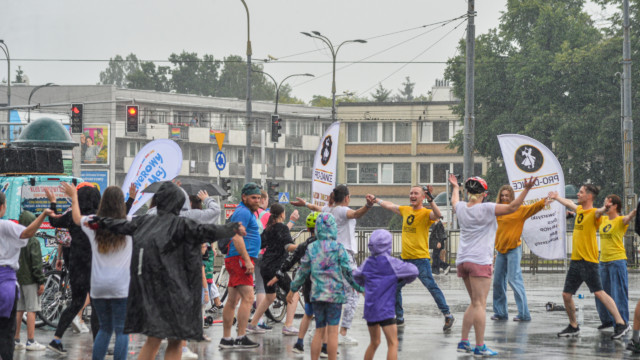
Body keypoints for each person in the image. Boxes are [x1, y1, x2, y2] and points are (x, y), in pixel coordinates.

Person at [87, 181, 245, 360]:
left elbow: (120, 224)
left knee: (153, 340)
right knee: (175, 341)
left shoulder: (145, 221)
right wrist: (231, 228)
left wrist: (99, 221)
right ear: (179, 203)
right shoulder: (182, 224)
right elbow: (207, 230)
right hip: (176, 291)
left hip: (151, 291)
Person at [452, 174, 535, 357]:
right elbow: (513, 206)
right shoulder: (488, 208)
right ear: (485, 194)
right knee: (480, 304)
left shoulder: (460, 208)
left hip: (463, 261)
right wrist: (527, 189)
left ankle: (464, 341)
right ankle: (480, 346)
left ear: (468, 192)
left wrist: (454, 187)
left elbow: (454, 200)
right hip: (479, 260)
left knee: (474, 303)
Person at [291, 185, 373, 345]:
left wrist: (305, 204)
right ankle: (342, 332)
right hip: (344, 254)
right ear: (347, 198)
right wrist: (369, 206)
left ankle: (318, 330)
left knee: (328, 292)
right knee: (352, 294)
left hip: (328, 254)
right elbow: (356, 213)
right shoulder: (342, 211)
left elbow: (316, 207)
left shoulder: (328, 210)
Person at [367, 185, 455, 331]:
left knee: (431, 287)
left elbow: (438, 215)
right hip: (404, 259)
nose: (412, 195)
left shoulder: (426, 213)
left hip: (420, 260)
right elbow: (390, 206)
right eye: (411, 193)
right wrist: (376, 200)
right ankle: (399, 317)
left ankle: (448, 314)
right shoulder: (405, 210)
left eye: (416, 193)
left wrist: (431, 200)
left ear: (422, 197)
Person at [60, 184, 132, 360]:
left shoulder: (94, 222)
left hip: (99, 286)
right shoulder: (129, 223)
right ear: (121, 204)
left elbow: (76, 218)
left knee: (105, 328)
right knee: (121, 329)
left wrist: (74, 197)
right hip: (121, 286)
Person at [549, 185, 630, 339]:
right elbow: (568, 203)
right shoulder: (579, 210)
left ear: (589, 196)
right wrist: (557, 197)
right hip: (576, 260)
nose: (578, 194)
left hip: (588, 261)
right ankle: (574, 326)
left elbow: (599, 211)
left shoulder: (594, 213)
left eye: (581, 192)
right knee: (566, 295)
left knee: (600, 293)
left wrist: (604, 208)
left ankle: (621, 323)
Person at [287, 213, 365, 360]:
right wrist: (360, 288)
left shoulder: (311, 248)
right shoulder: (339, 248)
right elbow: (348, 272)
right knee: (333, 332)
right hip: (335, 297)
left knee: (319, 330)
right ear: (333, 228)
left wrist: (292, 289)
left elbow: (302, 272)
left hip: (317, 295)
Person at [46, 182, 102, 355]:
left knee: (76, 303)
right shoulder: (96, 218)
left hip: (76, 263)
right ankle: (97, 345)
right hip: (94, 265)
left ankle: (56, 339)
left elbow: (53, 221)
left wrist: (53, 202)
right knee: (96, 305)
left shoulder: (72, 216)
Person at [0, 193, 53, 360]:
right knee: (6, 332)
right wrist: (43, 215)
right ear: (2, 207)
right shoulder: (5, 225)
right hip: (5, 283)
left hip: (11, 282)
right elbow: (28, 233)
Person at [353, 229, 419, 360]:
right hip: (386, 310)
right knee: (393, 343)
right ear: (389, 244)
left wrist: (364, 285)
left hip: (370, 309)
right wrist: (403, 279)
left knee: (374, 342)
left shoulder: (368, 262)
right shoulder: (392, 263)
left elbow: (356, 275)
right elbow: (414, 271)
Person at [492, 185, 549, 322]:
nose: (504, 198)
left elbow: (533, 208)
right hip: (500, 251)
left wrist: (545, 201)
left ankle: (524, 314)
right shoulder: (497, 210)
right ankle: (500, 313)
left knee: (514, 280)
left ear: (512, 197)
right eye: (502, 195)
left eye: (507, 195)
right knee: (498, 282)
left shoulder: (519, 209)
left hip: (513, 250)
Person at [268, 212, 322, 355]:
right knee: (325, 316)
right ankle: (323, 346)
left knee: (308, 313)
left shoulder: (304, 245)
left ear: (308, 228)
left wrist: (279, 275)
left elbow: (290, 261)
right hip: (326, 287)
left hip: (308, 285)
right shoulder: (331, 245)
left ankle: (299, 343)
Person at [219, 182, 261, 350]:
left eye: (258, 197)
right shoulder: (243, 212)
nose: (257, 200)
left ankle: (226, 339)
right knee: (249, 298)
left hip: (236, 258)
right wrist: (248, 260)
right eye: (253, 197)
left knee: (232, 300)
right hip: (240, 259)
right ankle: (241, 337)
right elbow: (236, 237)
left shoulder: (245, 212)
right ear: (244, 197)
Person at [247, 204, 299, 336]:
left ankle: (253, 324)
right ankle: (288, 326)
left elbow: (260, 244)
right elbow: (288, 246)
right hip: (276, 268)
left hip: (265, 266)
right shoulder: (282, 228)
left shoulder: (269, 228)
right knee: (294, 292)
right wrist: (303, 246)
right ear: (282, 214)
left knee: (270, 296)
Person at [594, 194, 635, 330]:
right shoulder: (603, 219)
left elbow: (628, 218)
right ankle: (606, 320)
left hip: (617, 261)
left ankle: (623, 322)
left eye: (608, 204)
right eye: (604, 203)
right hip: (603, 261)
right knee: (602, 293)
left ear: (615, 206)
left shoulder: (620, 220)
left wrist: (635, 211)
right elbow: (594, 214)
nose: (605, 206)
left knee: (618, 293)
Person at [13, 211, 46, 352]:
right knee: (32, 309)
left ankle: (15, 340)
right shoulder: (33, 241)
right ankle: (31, 341)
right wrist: (41, 281)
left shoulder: (16, 239)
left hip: (17, 279)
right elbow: (36, 265)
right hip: (31, 280)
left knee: (19, 310)